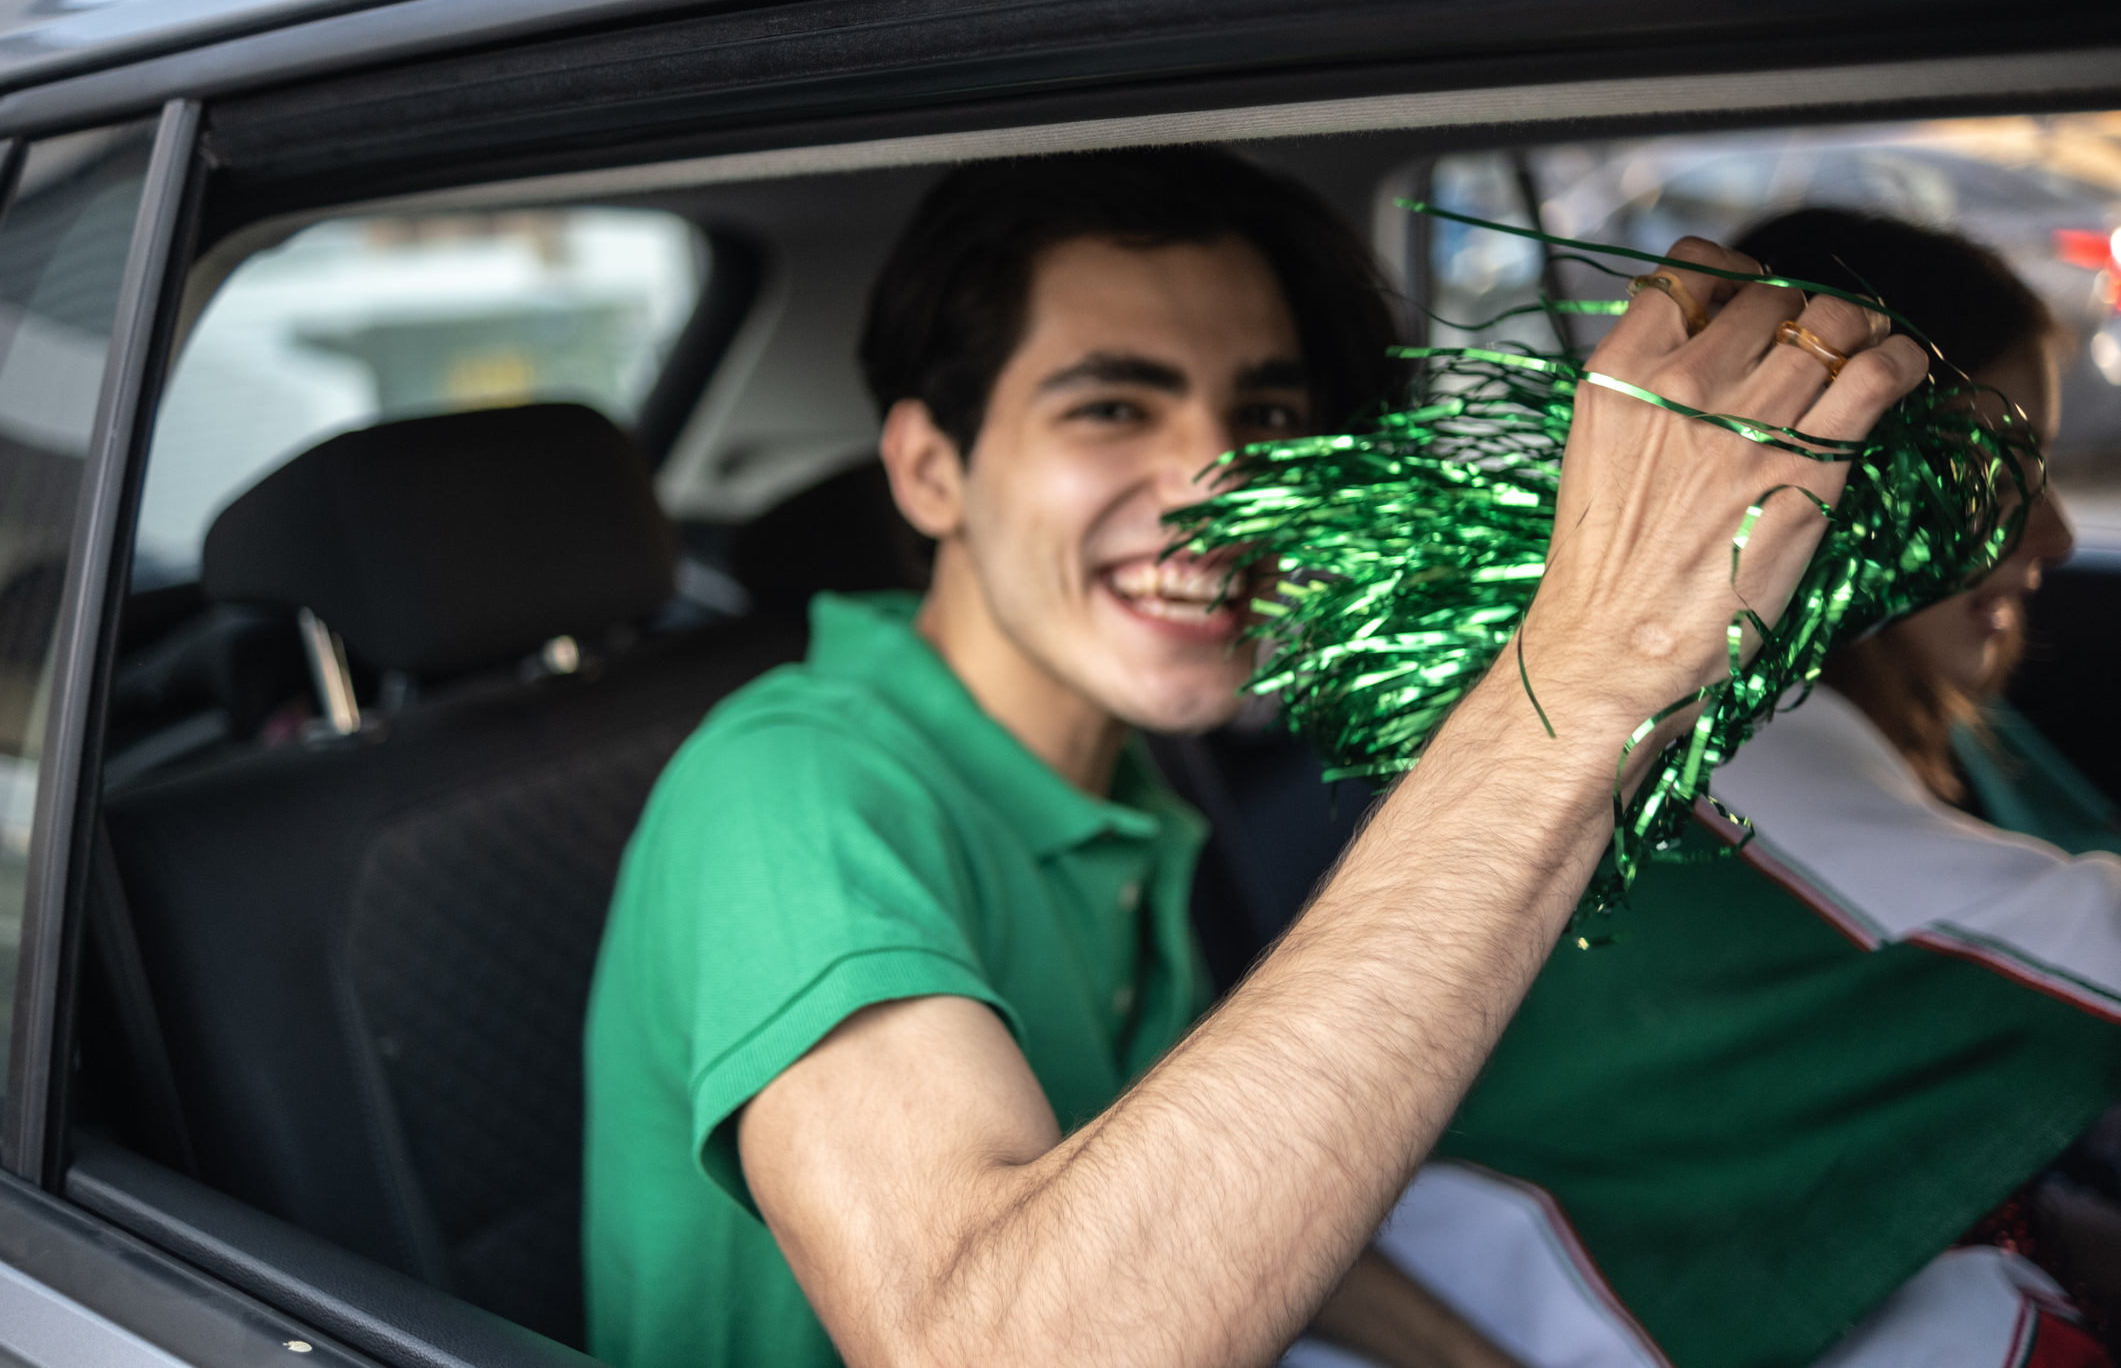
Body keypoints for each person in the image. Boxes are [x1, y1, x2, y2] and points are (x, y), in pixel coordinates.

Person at [583, 147, 1926, 1368]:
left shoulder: (1117, 783)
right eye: (1112, 407)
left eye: (1267, 414)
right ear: (932, 471)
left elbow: (1194, 1196)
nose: (1223, 490)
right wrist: (1590, 664)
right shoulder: (792, 785)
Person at [1352, 209, 2121, 1368]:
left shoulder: (1901, 735)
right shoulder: (1731, 756)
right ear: (1837, 491)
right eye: (1990, 480)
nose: (2053, 535)